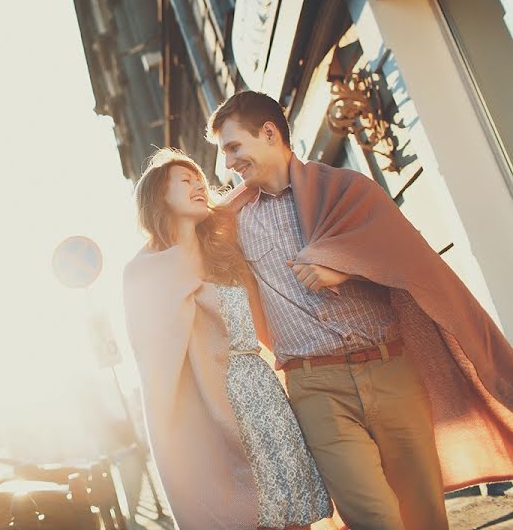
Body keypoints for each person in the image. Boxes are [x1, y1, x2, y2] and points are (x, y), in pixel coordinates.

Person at [207, 90, 513, 530]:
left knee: (424, 511)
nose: (228, 163)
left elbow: (406, 259)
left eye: (234, 147)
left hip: (392, 371)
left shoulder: (348, 190)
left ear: (269, 133)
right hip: (315, 385)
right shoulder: (232, 223)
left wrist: (346, 266)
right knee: (373, 517)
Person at [122, 148, 333, 530]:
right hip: (205, 404)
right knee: (246, 513)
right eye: (184, 182)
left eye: (199, 179)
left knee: (289, 511)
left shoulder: (222, 250)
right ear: (159, 197)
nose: (198, 185)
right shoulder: (144, 271)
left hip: (259, 391)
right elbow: (156, 362)